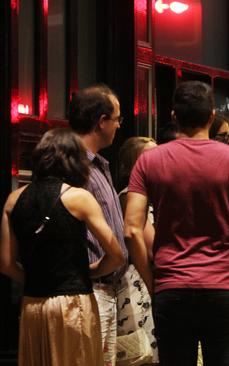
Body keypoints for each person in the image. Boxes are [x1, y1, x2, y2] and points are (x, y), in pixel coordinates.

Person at [124, 81, 229, 366]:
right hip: (225, 287)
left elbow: (131, 230)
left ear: (174, 116)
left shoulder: (149, 161)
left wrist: (153, 284)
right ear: (212, 116)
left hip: (171, 285)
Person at [0, 128, 124, 366]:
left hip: (33, 304)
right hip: (73, 305)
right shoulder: (79, 197)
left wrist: (34, 278)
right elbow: (116, 255)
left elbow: (6, 264)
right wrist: (91, 272)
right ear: (75, 161)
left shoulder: (13, 200)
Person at [68, 84, 132, 365]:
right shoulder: (74, 166)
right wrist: (95, 269)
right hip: (90, 291)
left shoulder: (98, 164)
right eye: (117, 119)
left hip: (106, 290)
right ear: (102, 121)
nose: (119, 126)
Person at [116, 136, 159, 362]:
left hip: (148, 280)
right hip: (140, 282)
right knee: (143, 355)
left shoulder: (153, 196)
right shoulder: (131, 196)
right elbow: (153, 246)